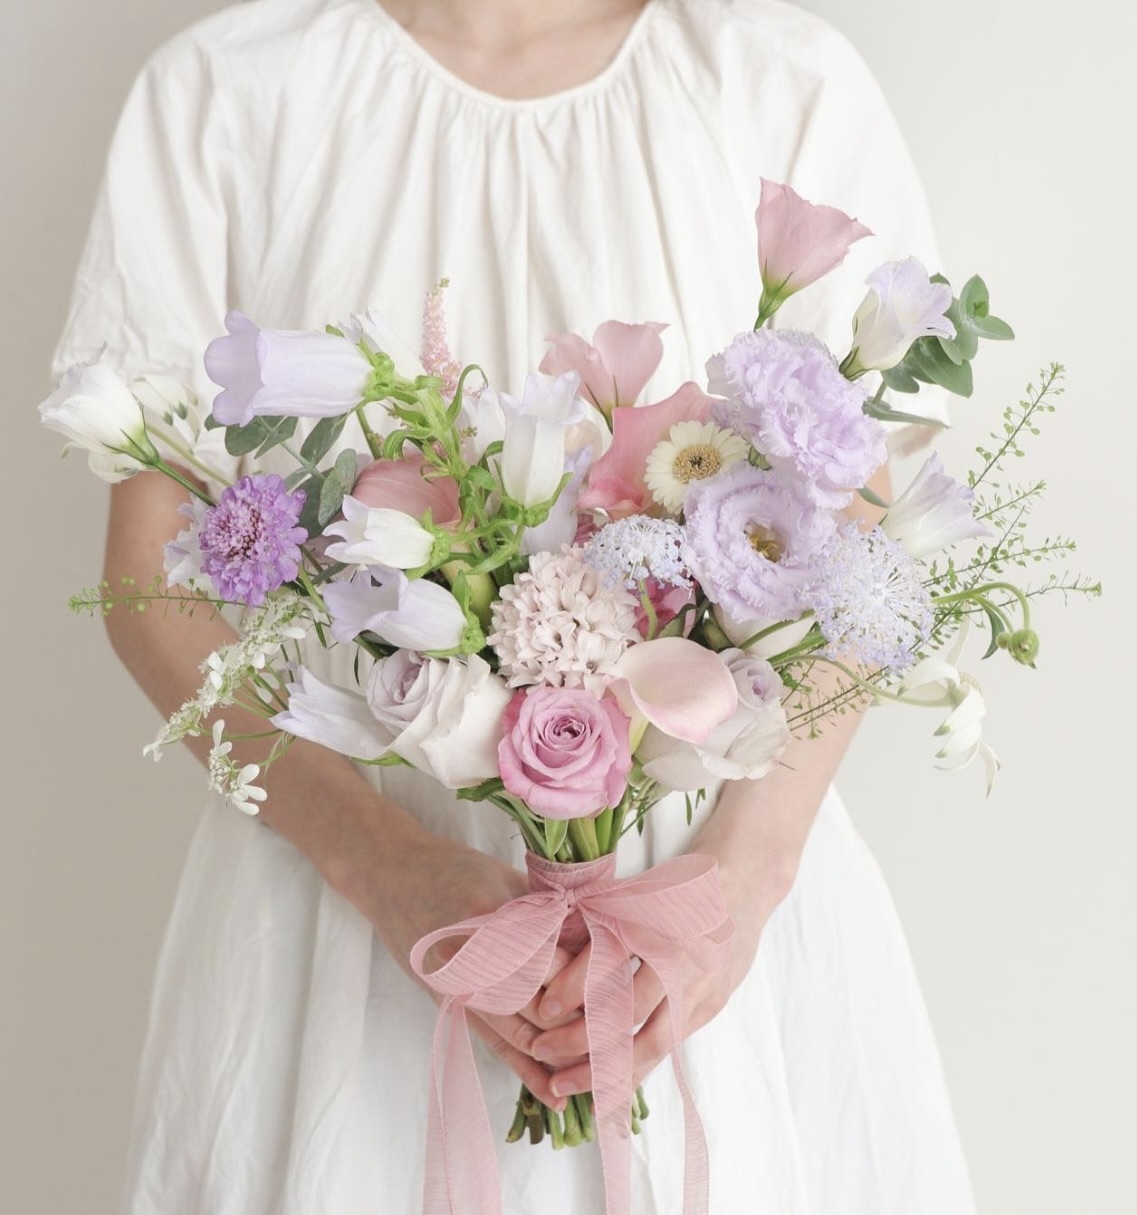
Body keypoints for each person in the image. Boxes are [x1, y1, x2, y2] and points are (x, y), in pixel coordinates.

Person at [52, 0, 976, 1211]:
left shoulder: (780, 83)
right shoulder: (224, 96)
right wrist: (389, 870)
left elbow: (866, 549)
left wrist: (732, 897)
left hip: (702, 923)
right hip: (339, 918)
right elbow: (147, 583)